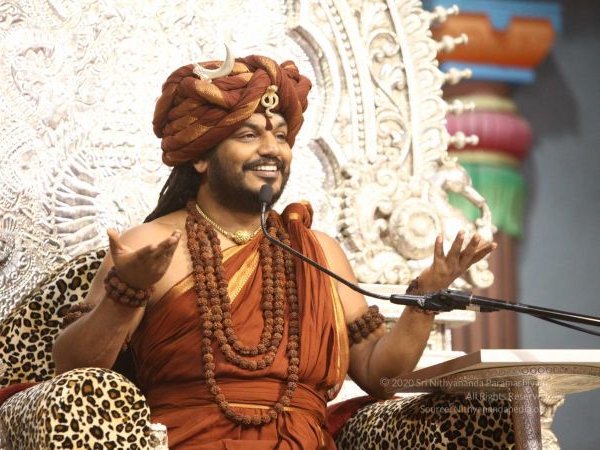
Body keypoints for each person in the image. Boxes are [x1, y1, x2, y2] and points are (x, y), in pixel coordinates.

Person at [52, 53, 497, 449]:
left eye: (281, 136)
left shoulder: (318, 252)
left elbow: (380, 376)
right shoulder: (148, 244)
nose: (271, 149)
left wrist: (424, 298)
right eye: (249, 135)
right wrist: (126, 293)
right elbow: (73, 371)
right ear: (201, 157)